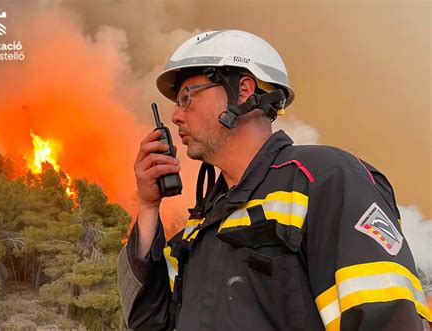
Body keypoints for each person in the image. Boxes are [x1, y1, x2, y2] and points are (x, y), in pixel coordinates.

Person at [117, 29, 431, 330]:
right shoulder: (201, 226)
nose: (176, 116)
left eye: (187, 96)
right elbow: (148, 321)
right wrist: (147, 206)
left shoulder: (325, 181)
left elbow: (387, 318)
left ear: (243, 90)